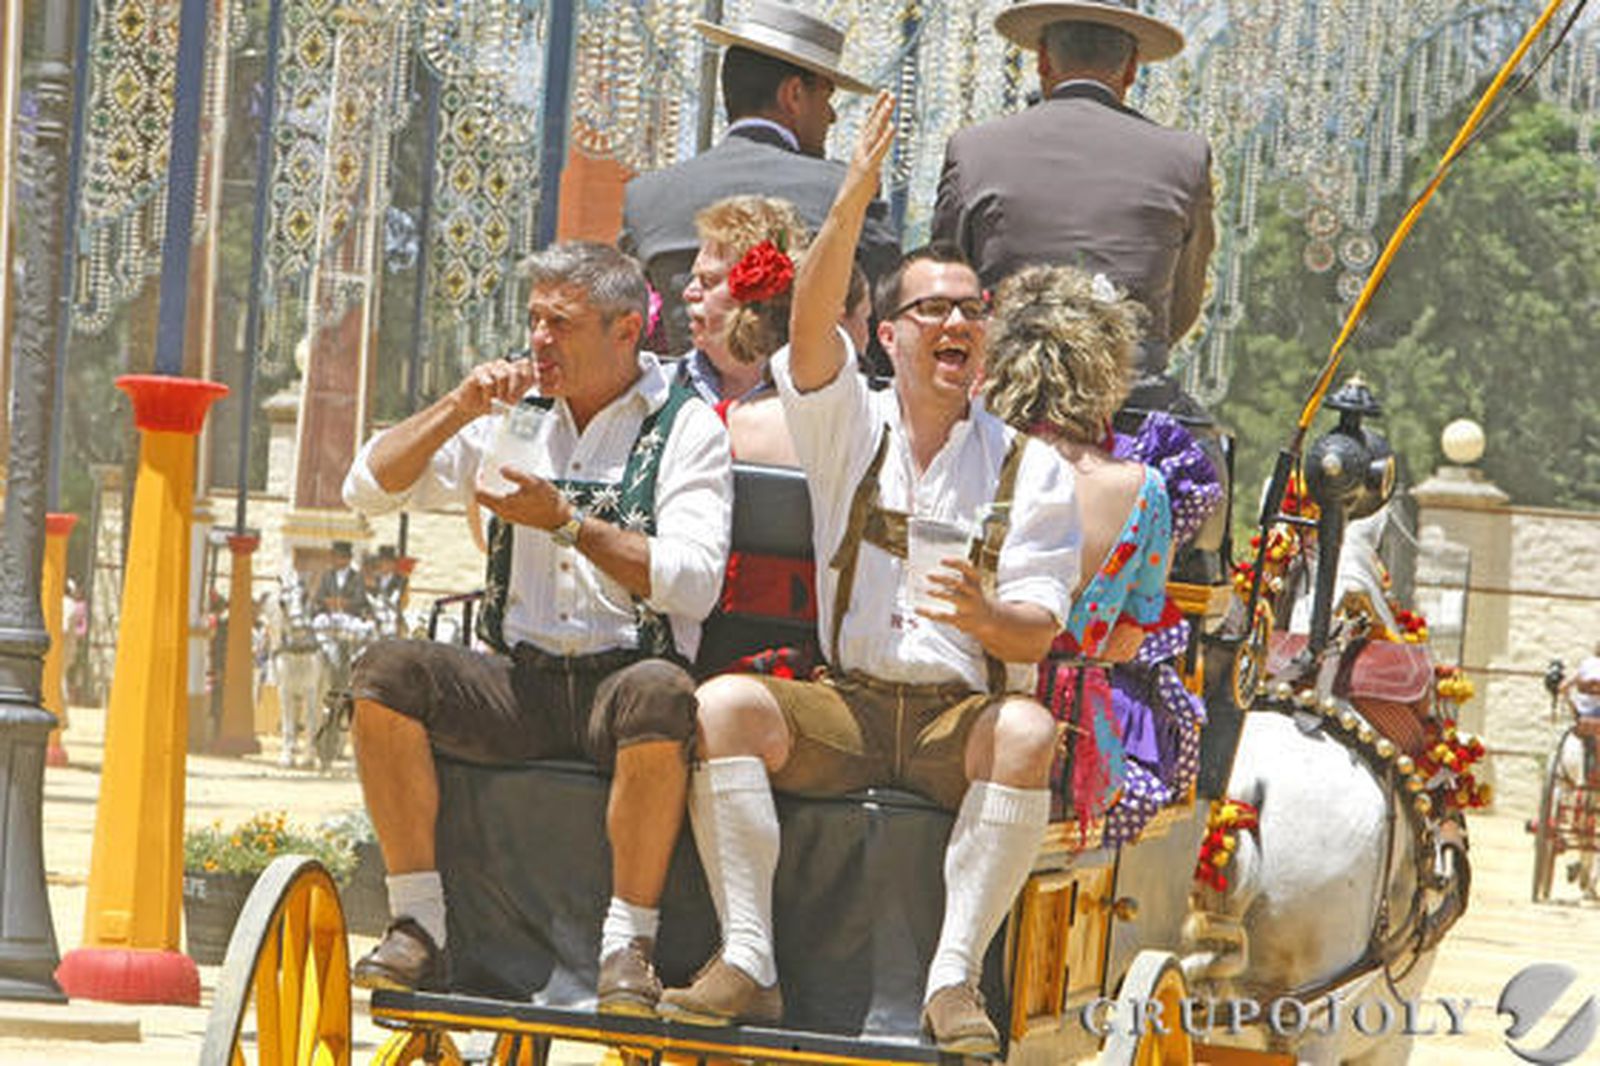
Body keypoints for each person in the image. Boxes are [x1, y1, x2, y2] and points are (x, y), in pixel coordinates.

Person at [659, 95, 1082, 1058]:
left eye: (971, 311)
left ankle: (952, 979)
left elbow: (1037, 633)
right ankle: (749, 959)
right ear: (885, 336)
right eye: (930, 308)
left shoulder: (1032, 467)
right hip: (846, 710)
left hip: (951, 724)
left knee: (1027, 728)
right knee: (723, 708)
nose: (955, 323)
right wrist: (853, 192)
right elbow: (808, 323)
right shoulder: (848, 424)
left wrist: (986, 614)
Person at [340, 242, 733, 1013]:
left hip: (621, 683)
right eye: (534, 322)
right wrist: (458, 406)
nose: (540, 342)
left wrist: (565, 521)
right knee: (384, 673)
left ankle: (629, 943)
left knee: (661, 693)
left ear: (627, 331)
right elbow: (366, 488)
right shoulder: (513, 418)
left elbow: (695, 582)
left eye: (562, 324)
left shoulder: (686, 427)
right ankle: (420, 922)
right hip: (517, 680)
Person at [981, 265, 1190, 843]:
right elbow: (1127, 639)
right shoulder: (1144, 489)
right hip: (1077, 752)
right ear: (1107, 371)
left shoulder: (975, 459)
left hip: (973, 710)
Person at [931, 0, 1214, 400]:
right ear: (1132, 68)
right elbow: (1181, 307)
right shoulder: (1185, 157)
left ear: (1043, 60)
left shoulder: (973, 149)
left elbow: (946, 285)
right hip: (1130, 403)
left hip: (1003, 401)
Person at [620, 0, 899, 357]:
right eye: (827, 96)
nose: (832, 116)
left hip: (684, 403)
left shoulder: (647, 196)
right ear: (794, 94)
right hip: (810, 406)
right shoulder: (844, 191)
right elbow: (887, 314)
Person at [312, 541, 370, 620]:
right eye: (335, 557)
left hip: (351, 618)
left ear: (349, 559)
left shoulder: (357, 577)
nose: (338, 560)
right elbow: (319, 596)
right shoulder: (327, 575)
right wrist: (328, 601)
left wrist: (344, 603)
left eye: (341, 557)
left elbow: (360, 599)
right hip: (329, 617)